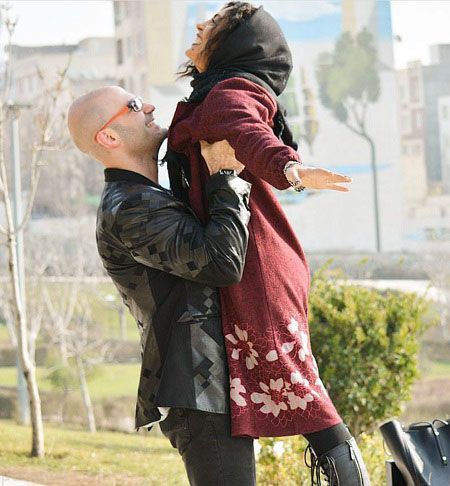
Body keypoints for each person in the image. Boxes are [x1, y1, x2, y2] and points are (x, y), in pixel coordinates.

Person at [165, 2, 371, 484]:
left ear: (238, 43)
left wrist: (290, 170)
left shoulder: (229, 94)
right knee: (298, 387)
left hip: (258, 270)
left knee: (305, 395)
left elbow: (250, 133)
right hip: (256, 265)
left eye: (215, 22)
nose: (200, 24)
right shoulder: (216, 91)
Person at [67, 86, 259, 485]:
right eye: (135, 106)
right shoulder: (130, 207)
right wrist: (226, 177)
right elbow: (221, 262)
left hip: (207, 387)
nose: (150, 106)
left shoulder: (144, 196)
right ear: (109, 136)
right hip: (199, 392)